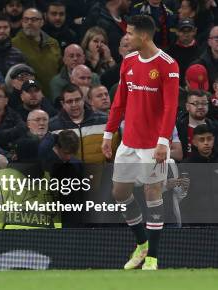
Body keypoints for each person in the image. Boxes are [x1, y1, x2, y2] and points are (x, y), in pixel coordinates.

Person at [102, 15, 180, 270]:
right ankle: (141, 243)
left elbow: (171, 107)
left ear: (144, 36)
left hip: (153, 143)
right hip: (129, 142)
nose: (126, 37)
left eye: (130, 33)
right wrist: (108, 133)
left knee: (152, 192)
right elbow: (119, 102)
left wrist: (163, 141)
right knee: (119, 192)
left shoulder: (168, 65)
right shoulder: (129, 61)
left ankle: (153, 257)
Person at [12, 8, 61, 97]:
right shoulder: (14, 44)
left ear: (42, 22)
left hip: (53, 96)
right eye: (26, 19)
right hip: (29, 97)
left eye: (34, 19)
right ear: (22, 22)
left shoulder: (53, 43)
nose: (29, 23)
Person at [176, 90, 218, 159]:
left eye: (204, 103)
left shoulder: (215, 128)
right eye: (196, 103)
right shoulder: (177, 128)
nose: (200, 107)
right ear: (187, 106)